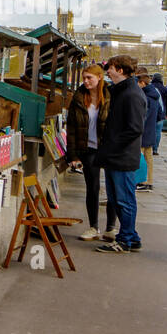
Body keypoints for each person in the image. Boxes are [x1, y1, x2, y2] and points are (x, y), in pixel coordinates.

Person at [95, 55, 146, 252]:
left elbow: (134, 128)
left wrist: (113, 146)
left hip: (121, 156)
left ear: (121, 70)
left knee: (124, 199)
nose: (107, 71)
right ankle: (131, 236)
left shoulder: (131, 95)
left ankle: (125, 239)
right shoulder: (125, 92)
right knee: (118, 198)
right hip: (117, 155)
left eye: (111, 68)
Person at [64, 64, 117, 241]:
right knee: (92, 188)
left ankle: (111, 228)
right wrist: (72, 155)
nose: (85, 81)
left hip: (108, 148)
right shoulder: (79, 98)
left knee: (112, 189)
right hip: (88, 148)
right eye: (84, 78)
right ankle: (93, 227)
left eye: (89, 78)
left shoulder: (112, 96)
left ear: (100, 77)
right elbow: (71, 127)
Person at [136, 71, 164, 191]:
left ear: (142, 83)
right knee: (148, 157)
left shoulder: (144, 97)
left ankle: (142, 181)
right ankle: (149, 181)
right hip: (150, 129)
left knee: (140, 156)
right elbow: (159, 114)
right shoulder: (154, 96)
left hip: (143, 130)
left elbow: (141, 115)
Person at [150, 73, 167, 154]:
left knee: (149, 130)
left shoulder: (150, 87)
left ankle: (147, 147)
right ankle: (155, 149)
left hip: (151, 112)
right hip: (161, 113)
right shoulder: (165, 89)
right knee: (158, 131)